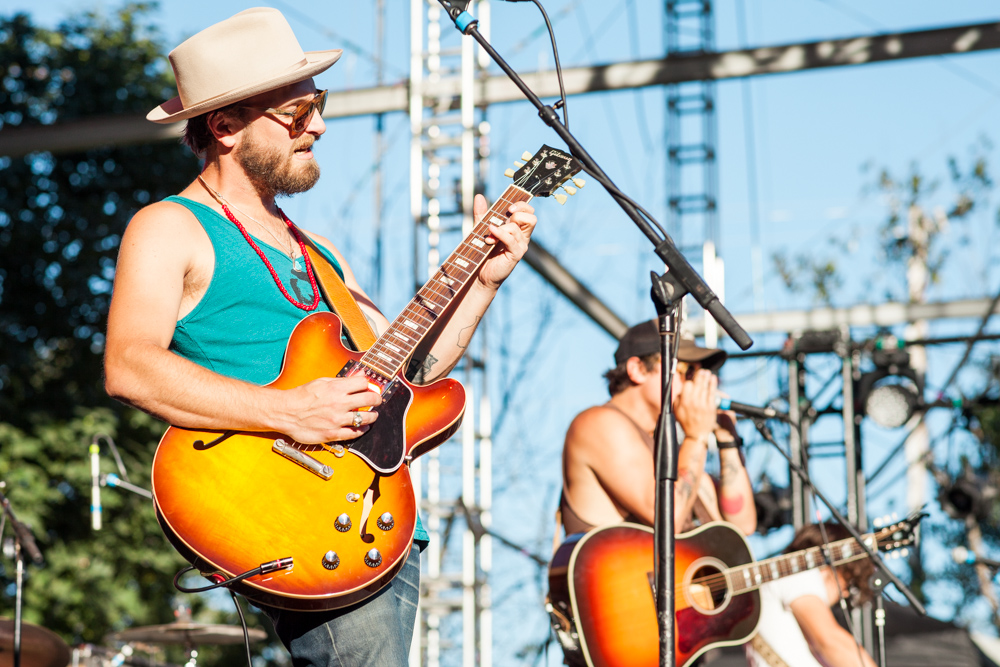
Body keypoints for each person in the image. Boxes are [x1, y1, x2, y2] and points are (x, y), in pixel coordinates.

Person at [102, 8, 537, 667]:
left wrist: (485, 282)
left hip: (379, 515)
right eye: (299, 114)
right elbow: (130, 366)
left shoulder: (321, 254)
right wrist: (290, 410)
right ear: (225, 127)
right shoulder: (169, 227)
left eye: (318, 107)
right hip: (290, 506)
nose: (321, 128)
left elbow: (410, 371)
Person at [560, 319, 757, 537]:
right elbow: (667, 515)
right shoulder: (599, 423)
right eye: (685, 370)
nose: (695, 384)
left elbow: (742, 526)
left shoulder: (680, 450)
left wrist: (727, 438)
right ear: (638, 370)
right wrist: (697, 435)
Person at [746, 522, 878, 667]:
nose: (845, 593)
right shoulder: (799, 574)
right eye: (849, 582)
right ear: (832, 566)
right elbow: (830, 642)